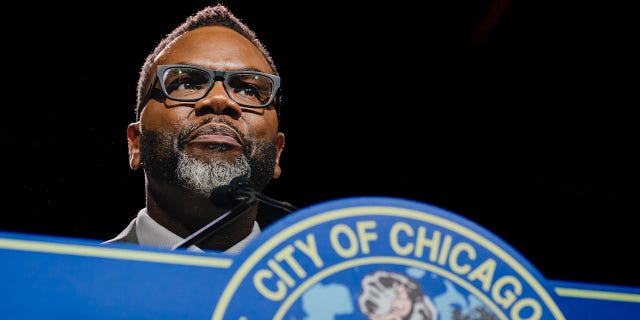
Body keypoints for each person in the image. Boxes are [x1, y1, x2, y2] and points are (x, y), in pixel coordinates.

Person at [103, 3, 286, 255]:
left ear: (277, 152)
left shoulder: (336, 288)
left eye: (249, 90)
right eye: (186, 83)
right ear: (136, 144)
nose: (221, 100)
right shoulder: (65, 283)